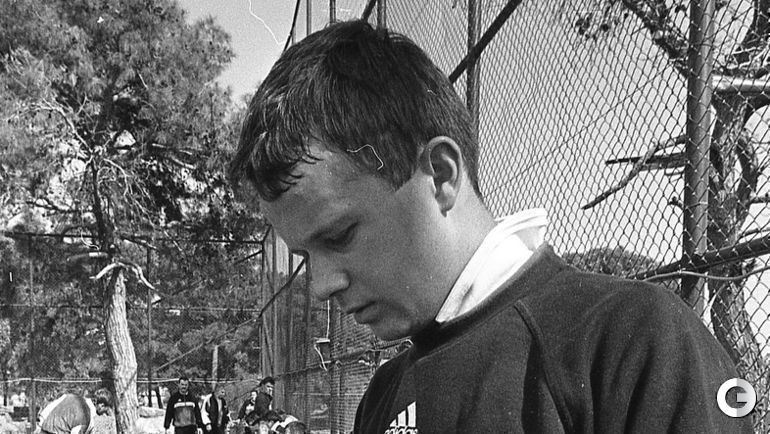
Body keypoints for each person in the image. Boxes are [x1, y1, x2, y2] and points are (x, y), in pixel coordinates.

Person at [229, 19, 752, 433]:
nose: (322, 285)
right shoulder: (384, 394)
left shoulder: (630, 341)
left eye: (340, 235)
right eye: (306, 257)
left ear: (440, 175)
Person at [36, 388, 112, 434]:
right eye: (105, 410)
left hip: (43, 430)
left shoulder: (69, 396)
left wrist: (39, 427)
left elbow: (48, 409)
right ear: (101, 405)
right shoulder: (86, 417)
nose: (105, 414)